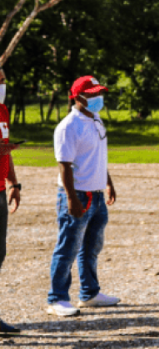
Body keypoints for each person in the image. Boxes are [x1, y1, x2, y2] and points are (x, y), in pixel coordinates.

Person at [48, 76, 119, 317]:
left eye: (99, 93)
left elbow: (98, 156)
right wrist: (71, 198)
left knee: (91, 247)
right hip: (78, 194)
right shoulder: (69, 126)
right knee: (67, 247)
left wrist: (107, 182)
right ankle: (57, 298)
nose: (98, 98)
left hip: (97, 193)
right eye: (92, 95)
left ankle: (89, 293)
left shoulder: (95, 119)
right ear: (78, 98)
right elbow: (64, 166)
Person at [0, 69, 21, 335]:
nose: (2, 84)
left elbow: (5, 149)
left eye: (3, 79)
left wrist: (13, 182)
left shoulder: (2, 111)